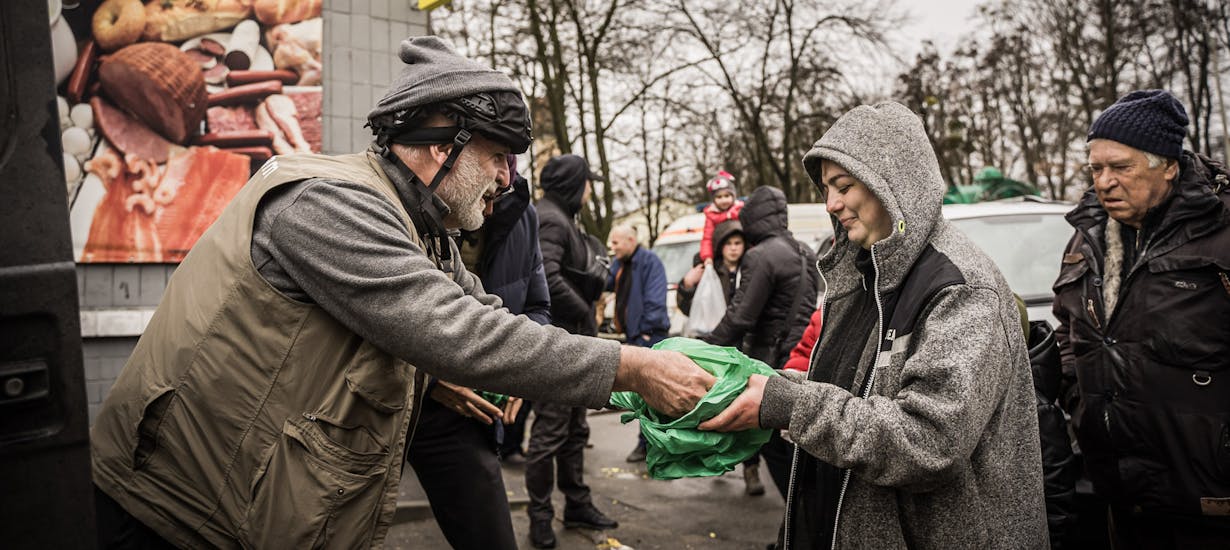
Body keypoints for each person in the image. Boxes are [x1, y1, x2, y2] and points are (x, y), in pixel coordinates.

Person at [88, 36, 715, 550]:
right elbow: (462, 334)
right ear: (443, 146)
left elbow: (487, 320)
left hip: (252, 509)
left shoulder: (424, 228)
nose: (507, 179)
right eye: (498, 157)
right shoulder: (332, 205)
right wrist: (634, 367)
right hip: (172, 514)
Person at [701, 101, 1046, 549]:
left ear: (895, 183)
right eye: (826, 188)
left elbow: (929, 441)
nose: (832, 203)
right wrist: (773, 385)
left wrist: (791, 405)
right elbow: (856, 390)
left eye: (843, 185)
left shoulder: (960, 289)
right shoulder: (867, 275)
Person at [1052, 89, 1230, 548]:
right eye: (1096, 169)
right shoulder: (1086, 238)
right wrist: (1078, 399)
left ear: (1167, 165)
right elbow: (1070, 332)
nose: (1104, 182)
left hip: (1209, 501)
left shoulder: (1221, 232)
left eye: (1121, 167)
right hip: (1119, 494)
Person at [403, 156, 547, 550]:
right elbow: (374, 313)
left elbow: (537, 307)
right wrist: (429, 379)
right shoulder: (407, 207)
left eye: (507, 161)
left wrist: (522, 370)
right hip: (395, 397)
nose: (489, 202)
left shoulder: (523, 216)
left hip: (469, 416)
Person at [527, 153, 619, 549]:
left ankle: (577, 504)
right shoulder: (549, 217)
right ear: (572, 184)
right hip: (558, 346)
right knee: (550, 434)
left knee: (575, 431)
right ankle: (540, 517)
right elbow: (546, 275)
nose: (590, 191)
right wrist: (584, 313)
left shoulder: (561, 217)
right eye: (587, 183)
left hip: (574, 342)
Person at [701, 185, 818, 498]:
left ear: (751, 218)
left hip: (772, 360)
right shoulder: (806, 250)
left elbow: (740, 317)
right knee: (799, 446)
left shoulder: (760, 255)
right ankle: (801, 526)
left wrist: (701, 349)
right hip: (805, 358)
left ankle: (800, 529)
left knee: (776, 449)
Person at [672, 220, 765, 496]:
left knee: (747, 411)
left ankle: (751, 468)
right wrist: (687, 286)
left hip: (747, 350)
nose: (734, 249)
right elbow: (691, 307)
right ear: (720, 248)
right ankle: (719, 460)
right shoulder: (712, 273)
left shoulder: (752, 270)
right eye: (729, 244)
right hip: (718, 352)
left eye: (738, 243)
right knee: (717, 407)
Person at [605, 224, 671, 465]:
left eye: (615, 243)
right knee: (643, 395)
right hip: (635, 336)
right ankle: (651, 446)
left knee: (652, 395)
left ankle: (651, 447)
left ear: (631, 240)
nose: (612, 248)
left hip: (648, 337)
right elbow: (607, 283)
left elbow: (655, 299)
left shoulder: (650, 262)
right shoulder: (621, 264)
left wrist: (646, 333)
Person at [699, 170, 744, 265]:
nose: (723, 200)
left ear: (733, 196)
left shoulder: (740, 210)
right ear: (713, 200)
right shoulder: (711, 215)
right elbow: (707, 238)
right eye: (719, 197)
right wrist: (707, 257)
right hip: (722, 258)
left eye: (727, 196)